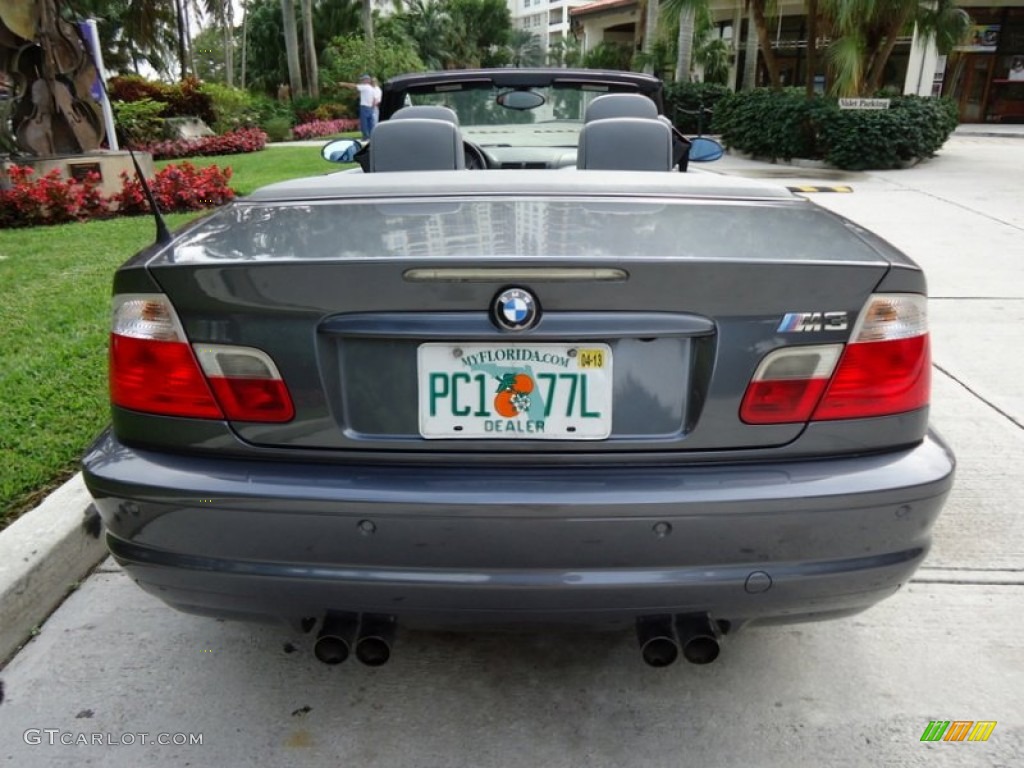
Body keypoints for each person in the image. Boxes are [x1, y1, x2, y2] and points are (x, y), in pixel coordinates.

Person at [338, 73, 377, 139]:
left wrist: (344, 84)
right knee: (370, 123)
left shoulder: (365, 87)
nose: (362, 81)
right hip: (370, 107)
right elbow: (374, 99)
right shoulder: (372, 88)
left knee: (364, 123)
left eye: (363, 80)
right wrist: (372, 107)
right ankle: (372, 136)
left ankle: (365, 137)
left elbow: (354, 86)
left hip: (364, 107)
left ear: (367, 80)